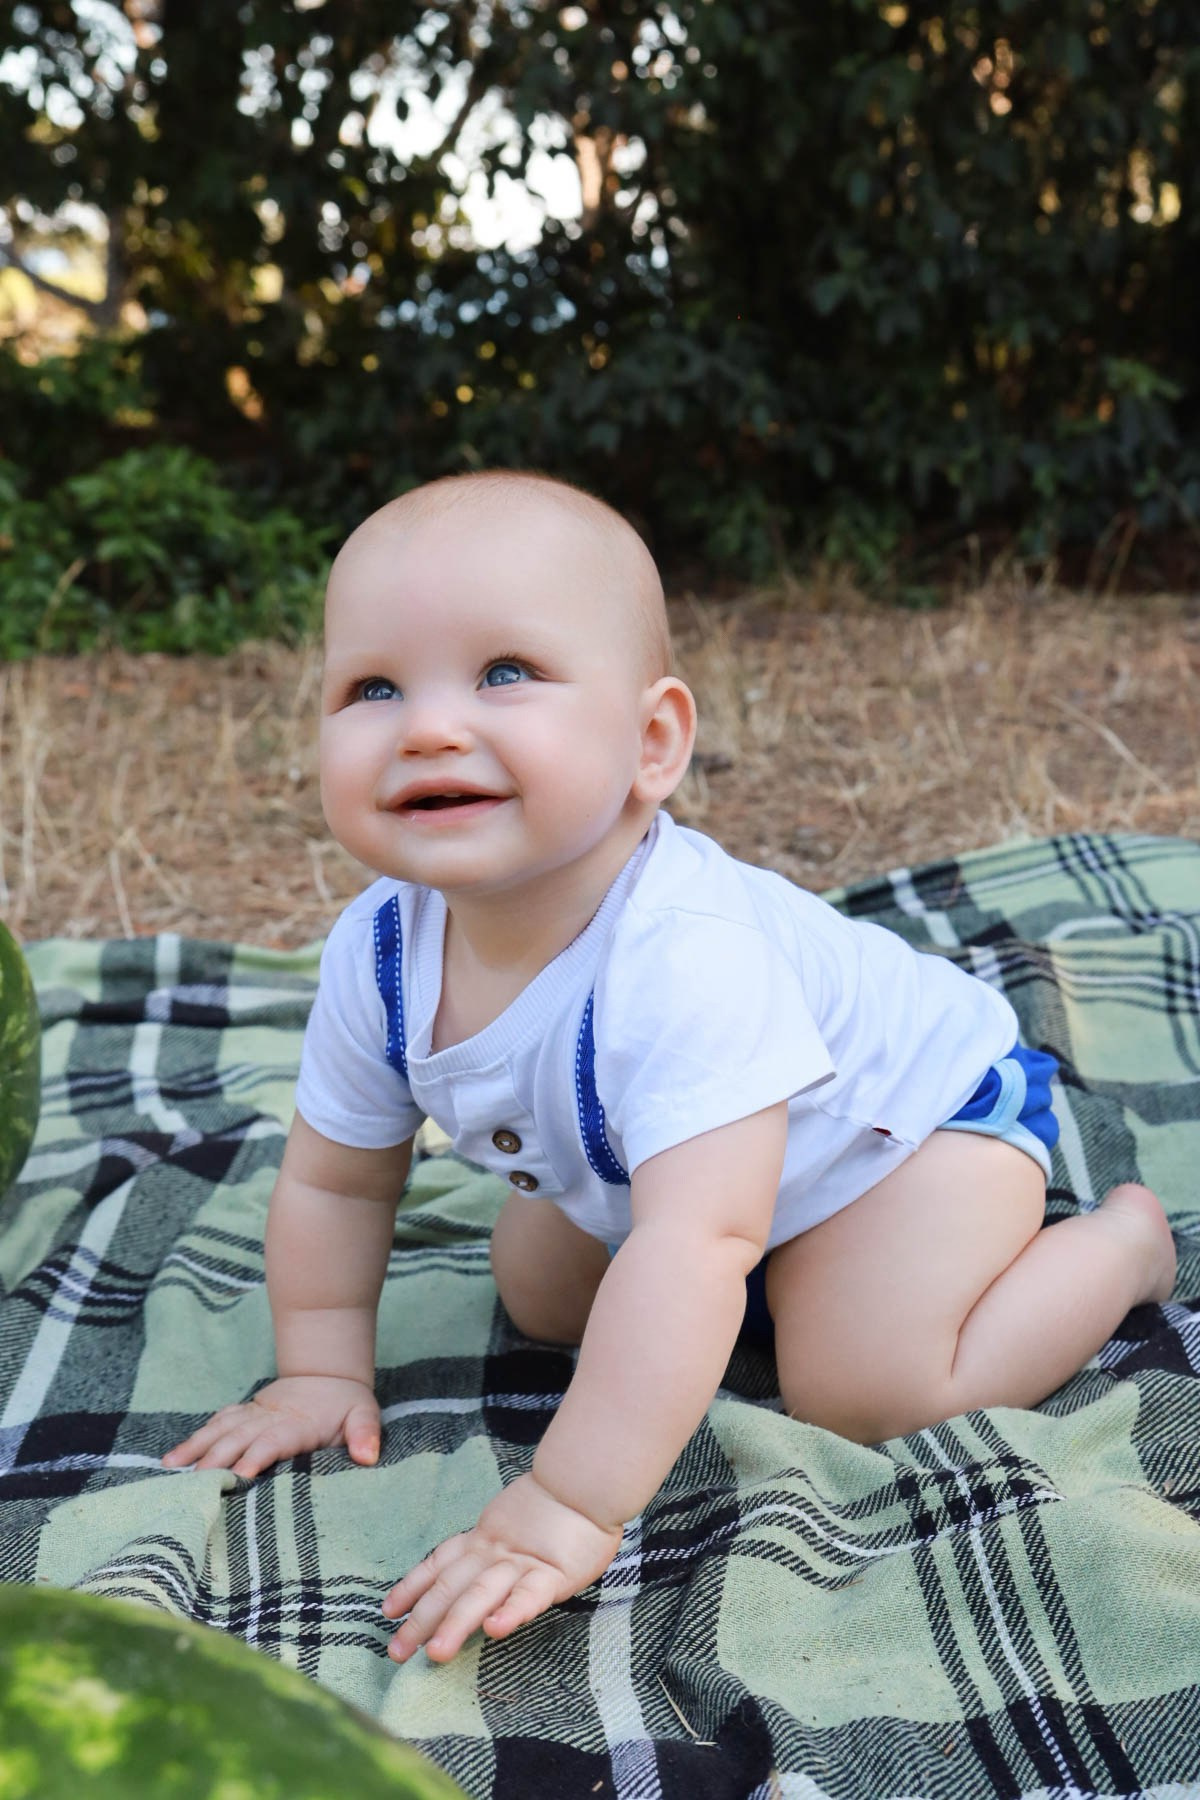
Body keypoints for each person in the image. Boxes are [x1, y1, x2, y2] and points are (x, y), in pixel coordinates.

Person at [163, 470, 1176, 1666]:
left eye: (504, 674)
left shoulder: (687, 959)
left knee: (868, 1388)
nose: (428, 724)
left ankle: (1118, 1246)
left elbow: (693, 1245)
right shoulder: (375, 952)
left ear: (652, 743)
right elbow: (338, 1180)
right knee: (542, 1297)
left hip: (904, 1135)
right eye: (374, 686)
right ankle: (783, 1268)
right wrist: (318, 1369)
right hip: (693, 1168)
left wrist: (570, 1505)